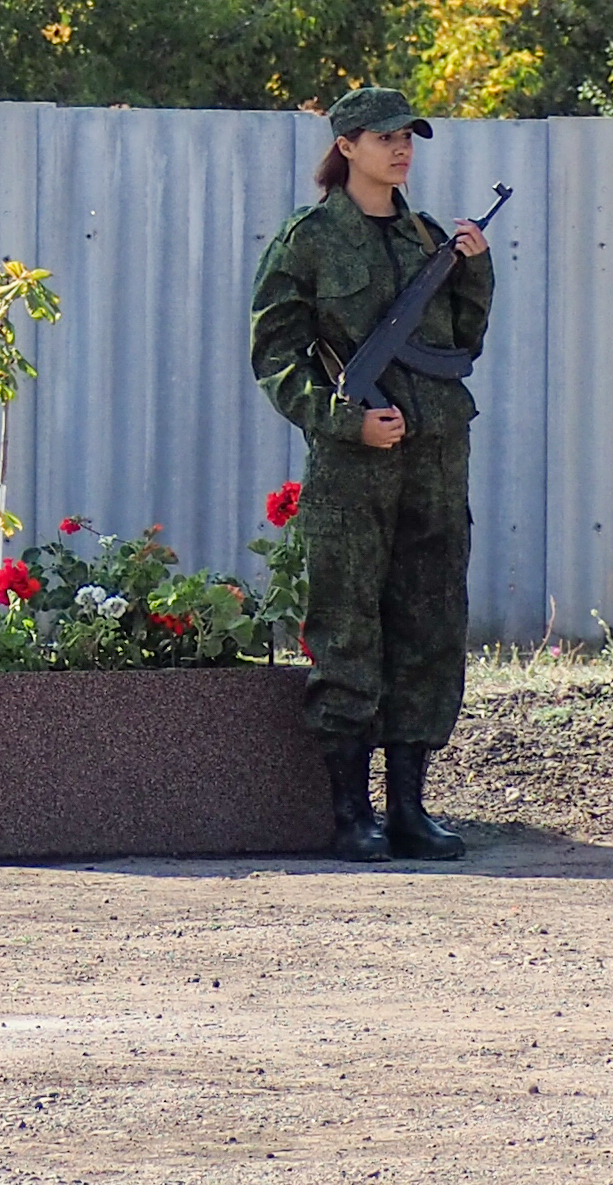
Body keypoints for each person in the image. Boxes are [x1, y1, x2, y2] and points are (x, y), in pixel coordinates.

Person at [247, 84, 494, 864]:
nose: (401, 148)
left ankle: (412, 810)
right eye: (384, 136)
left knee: (429, 621)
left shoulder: (428, 236)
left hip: (436, 451)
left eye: (408, 137)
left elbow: (462, 343)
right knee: (349, 622)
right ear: (347, 144)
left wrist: (475, 272)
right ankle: (352, 814)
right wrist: (345, 421)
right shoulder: (310, 238)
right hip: (356, 464)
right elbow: (275, 356)